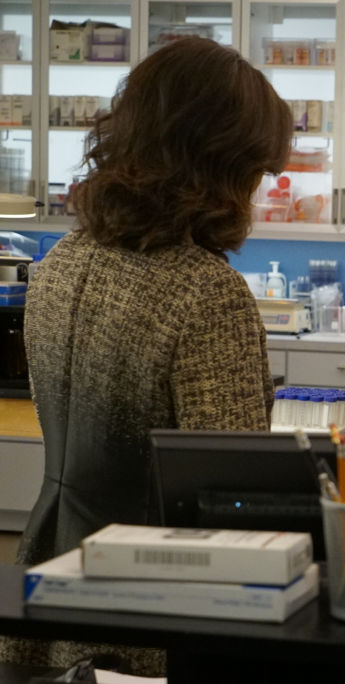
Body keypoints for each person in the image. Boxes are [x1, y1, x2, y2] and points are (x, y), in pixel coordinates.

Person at [17, 37, 293, 567]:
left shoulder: (60, 263)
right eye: (257, 170)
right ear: (222, 166)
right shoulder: (204, 292)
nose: (257, 190)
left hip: (52, 557)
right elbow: (230, 492)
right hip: (153, 578)